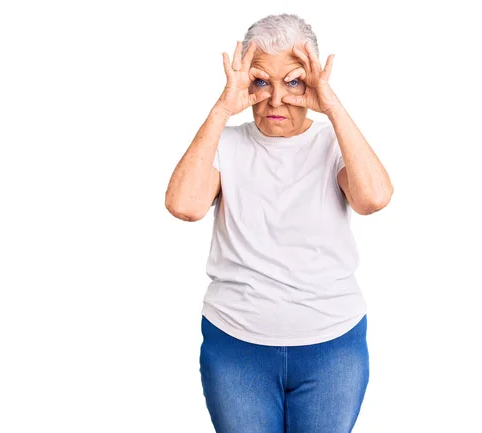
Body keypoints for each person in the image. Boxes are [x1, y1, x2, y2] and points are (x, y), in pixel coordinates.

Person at [165, 13, 393, 433]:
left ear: (313, 81)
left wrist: (332, 106)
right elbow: (185, 206)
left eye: (293, 82)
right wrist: (221, 109)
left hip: (332, 346)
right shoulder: (225, 144)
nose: (275, 101)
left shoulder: (334, 142)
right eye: (260, 82)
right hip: (236, 348)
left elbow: (373, 198)